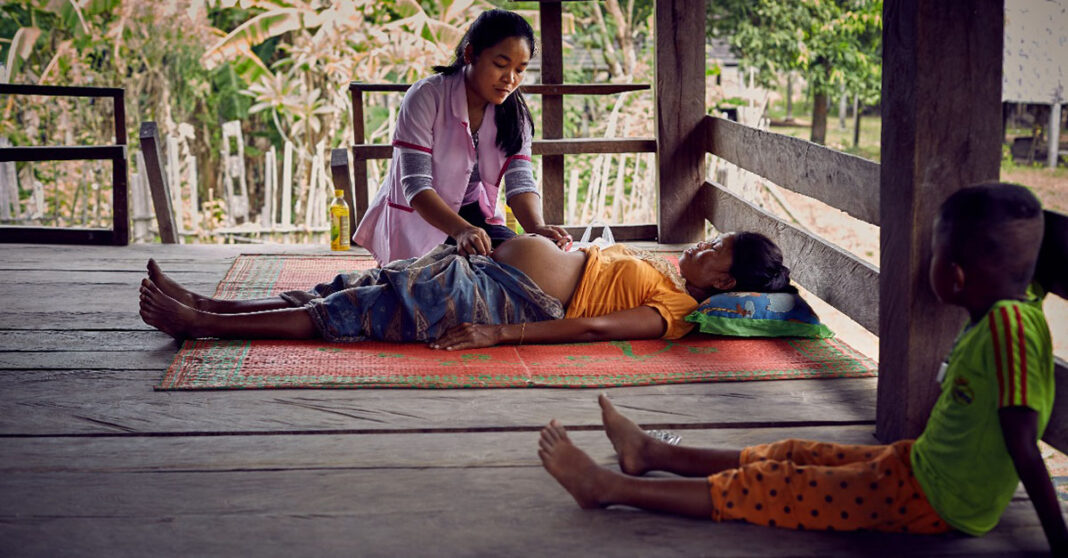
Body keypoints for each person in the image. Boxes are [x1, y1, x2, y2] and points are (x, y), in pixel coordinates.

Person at [537, 183, 1068, 554]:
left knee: (780, 486)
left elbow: (1023, 440)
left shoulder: (1009, 330)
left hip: (934, 501)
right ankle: (651, 452)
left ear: (953, 274)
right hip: (919, 468)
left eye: (932, 251)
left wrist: (1058, 540)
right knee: (795, 453)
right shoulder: (1012, 303)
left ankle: (609, 488)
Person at [138, 231, 793, 347]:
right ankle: (210, 305)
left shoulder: (673, 313)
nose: (699, 249)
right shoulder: (667, 275)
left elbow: (592, 327)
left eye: (714, 252)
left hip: (502, 303)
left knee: (355, 312)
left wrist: (500, 332)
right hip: (487, 273)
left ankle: (204, 325)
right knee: (355, 285)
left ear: (725, 283)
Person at [353, 8, 570, 265]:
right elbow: (416, 186)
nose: (510, 79)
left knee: (529, 260)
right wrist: (461, 231)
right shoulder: (426, 96)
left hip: (471, 218)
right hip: (419, 217)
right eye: (500, 65)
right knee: (434, 282)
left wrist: (537, 229)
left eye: (520, 70)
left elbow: (520, 180)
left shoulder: (515, 114)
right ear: (470, 54)